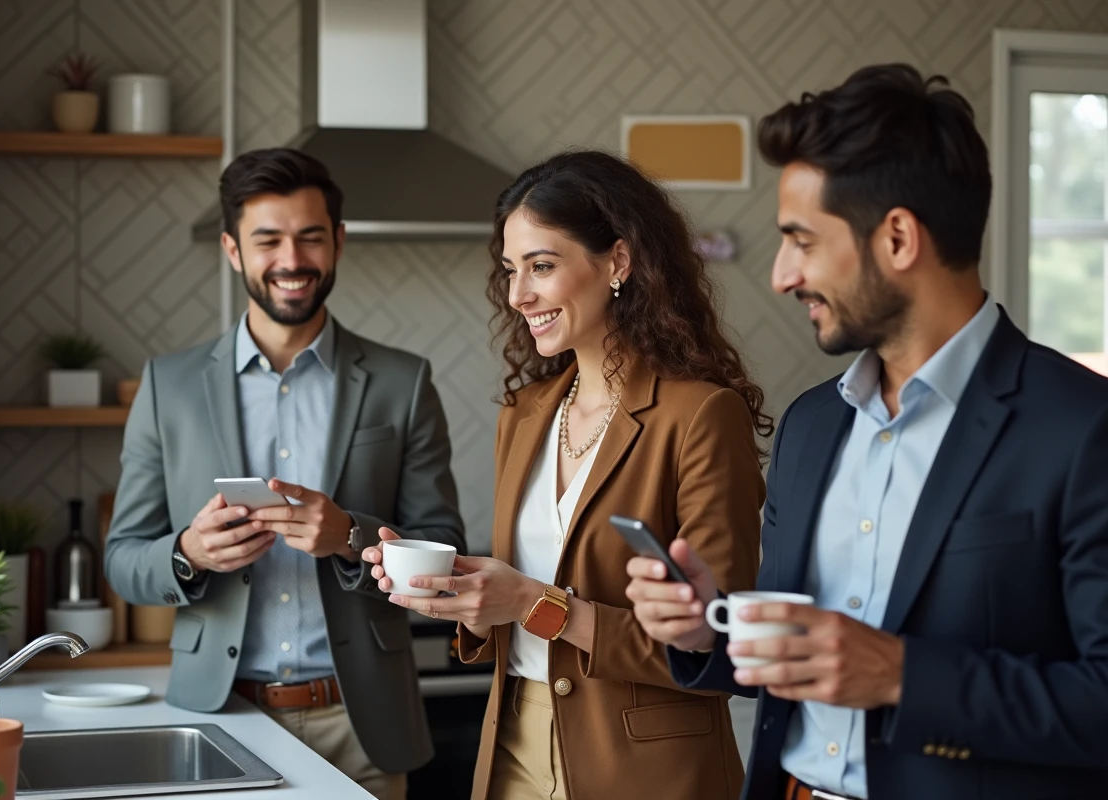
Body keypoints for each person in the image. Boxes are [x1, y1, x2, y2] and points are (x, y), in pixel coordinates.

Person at [627, 63, 1108, 800]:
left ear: (898, 238)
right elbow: (804, 657)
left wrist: (900, 675)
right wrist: (707, 631)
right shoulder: (810, 426)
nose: (783, 275)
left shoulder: (1083, 429)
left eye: (802, 241)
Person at [362, 150, 769, 799]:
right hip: (516, 750)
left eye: (542, 266)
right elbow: (512, 611)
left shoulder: (700, 417)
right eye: (511, 270)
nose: (519, 294)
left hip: (645, 774)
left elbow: (720, 647)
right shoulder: (523, 415)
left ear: (617, 262)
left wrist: (533, 604)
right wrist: (463, 598)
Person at [103, 147, 466, 800]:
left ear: (338, 243)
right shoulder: (170, 385)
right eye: (268, 239)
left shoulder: (402, 382)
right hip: (218, 720)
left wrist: (350, 536)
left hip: (360, 727)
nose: (291, 260)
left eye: (309, 238)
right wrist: (187, 553)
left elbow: (445, 546)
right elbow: (124, 560)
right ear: (232, 250)